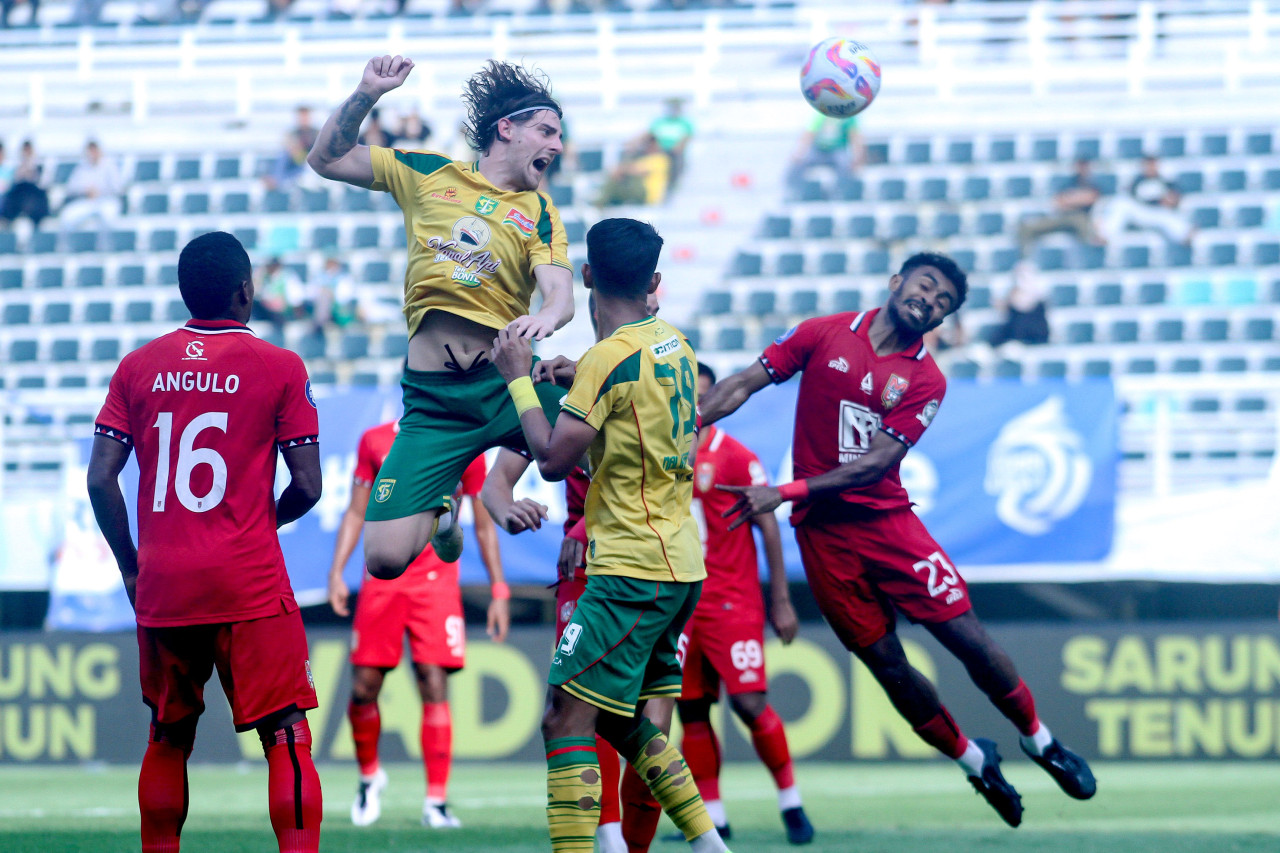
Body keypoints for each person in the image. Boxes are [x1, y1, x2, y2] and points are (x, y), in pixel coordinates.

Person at [699, 252, 1096, 828]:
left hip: (889, 528)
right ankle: (975, 760)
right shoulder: (822, 333)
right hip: (824, 541)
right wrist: (688, 421)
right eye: (926, 286)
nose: (930, 301)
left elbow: (874, 465)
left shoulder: (926, 379)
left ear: (941, 322)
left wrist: (786, 492)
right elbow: (742, 383)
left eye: (943, 303)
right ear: (896, 282)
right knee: (887, 666)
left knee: (969, 639)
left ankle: (1041, 742)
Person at [490, 218, 729, 853]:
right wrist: (580, 381)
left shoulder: (605, 359)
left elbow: (550, 460)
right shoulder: (675, 345)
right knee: (626, 722)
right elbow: (636, 406)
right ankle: (712, 845)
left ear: (588, 276)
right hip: (680, 566)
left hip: (630, 567)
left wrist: (520, 374)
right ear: (655, 282)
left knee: (564, 720)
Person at [86, 231, 324, 853]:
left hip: (165, 583)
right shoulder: (280, 366)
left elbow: (100, 476)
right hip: (247, 579)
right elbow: (308, 484)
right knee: (286, 731)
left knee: (168, 734)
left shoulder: (137, 366)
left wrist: (132, 567)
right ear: (246, 292)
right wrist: (262, 521)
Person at [306, 55, 574, 584]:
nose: (557, 146)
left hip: (504, 384)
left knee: (600, 440)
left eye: (559, 136)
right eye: (546, 131)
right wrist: (366, 94)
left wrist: (545, 317)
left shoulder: (540, 211)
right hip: (433, 404)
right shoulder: (429, 174)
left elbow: (560, 294)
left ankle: (510, 495)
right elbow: (326, 159)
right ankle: (445, 514)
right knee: (382, 561)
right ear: (507, 129)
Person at [327, 431, 509, 829]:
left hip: (436, 581)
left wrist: (499, 588)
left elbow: (482, 525)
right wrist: (337, 572)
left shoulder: (467, 445)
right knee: (364, 688)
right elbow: (356, 512)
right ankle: (369, 777)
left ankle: (436, 802)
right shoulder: (374, 441)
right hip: (384, 578)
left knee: (433, 682)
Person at [666, 361, 813, 845]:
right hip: (680, 606)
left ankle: (791, 802)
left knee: (750, 704)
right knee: (690, 711)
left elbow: (769, 524)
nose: (699, 404)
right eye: (692, 394)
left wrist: (781, 600)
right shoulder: (660, 456)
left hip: (732, 601)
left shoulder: (734, 457)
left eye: (706, 395)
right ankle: (714, 817)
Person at [1096, 154, 1194, 245]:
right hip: (1140, 212)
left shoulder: (1165, 181)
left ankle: (1186, 235)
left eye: (1153, 165)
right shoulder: (1137, 181)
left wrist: (1171, 200)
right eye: (1148, 165)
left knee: (1168, 217)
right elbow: (1131, 196)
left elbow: (1176, 197)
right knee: (1121, 203)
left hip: (1158, 212)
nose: (1150, 168)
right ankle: (1105, 236)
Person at [1016, 158, 1103, 254]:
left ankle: (1090, 254)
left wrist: (1070, 199)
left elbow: (1090, 198)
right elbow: (1058, 202)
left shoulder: (1092, 184)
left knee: (1083, 225)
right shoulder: (1069, 183)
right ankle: (1024, 260)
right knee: (1029, 227)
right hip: (1062, 217)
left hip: (1081, 218)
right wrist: (1078, 199)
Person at [58, 140, 125, 249]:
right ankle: (67, 248)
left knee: (108, 218)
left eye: (95, 150)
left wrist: (101, 191)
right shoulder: (82, 167)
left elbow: (118, 188)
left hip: (107, 201)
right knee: (67, 217)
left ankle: (105, 248)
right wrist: (85, 190)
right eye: (90, 150)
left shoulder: (109, 166)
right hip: (87, 201)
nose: (92, 153)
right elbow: (71, 188)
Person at [785, 114, 864, 199]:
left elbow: (855, 137)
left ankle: (840, 193)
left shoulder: (849, 117)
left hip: (837, 150)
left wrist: (857, 158)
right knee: (798, 165)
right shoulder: (820, 115)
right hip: (818, 150)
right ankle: (792, 191)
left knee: (845, 165)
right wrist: (799, 153)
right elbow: (809, 134)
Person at [987, 260, 1049, 348]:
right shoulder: (1011, 295)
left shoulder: (1040, 297)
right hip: (1013, 336)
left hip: (1034, 337)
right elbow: (999, 308)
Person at [596, 135, 669, 207]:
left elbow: (636, 170)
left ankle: (599, 203)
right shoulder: (644, 159)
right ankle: (603, 202)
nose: (648, 146)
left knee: (614, 182)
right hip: (639, 194)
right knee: (615, 180)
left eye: (650, 144)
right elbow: (627, 167)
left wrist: (620, 171)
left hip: (648, 196)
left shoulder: (661, 159)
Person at [0, 140, 50, 235]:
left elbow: (44, 186)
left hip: (34, 205)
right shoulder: (16, 169)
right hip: (15, 205)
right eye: (24, 151)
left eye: (29, 151)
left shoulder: (41, 168)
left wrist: (32, 174)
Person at [265, 106, 319, 193]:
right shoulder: (292, 133)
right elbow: (289, 147)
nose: (303, 119)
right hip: (295, 164)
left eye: (305, 116)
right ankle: (278, 180)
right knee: (283, 155)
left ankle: (277, 180)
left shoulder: (316, 133)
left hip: (311, 165)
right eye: (301, 117)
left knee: (306, 166)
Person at [647, 97, 694, 192]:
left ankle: (672, 185)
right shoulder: (660, 121)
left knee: (675, 159)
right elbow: (651, 135)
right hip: (659, 150)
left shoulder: (684, 122)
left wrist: (677, 148)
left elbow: (687, 137)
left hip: (674, 152)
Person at [254, 257, 306, 331]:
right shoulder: (264, 277)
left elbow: (296, 299)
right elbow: (256, 292)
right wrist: (258, 277)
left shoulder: (287, 276)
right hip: (265, 309)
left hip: (282, 312)